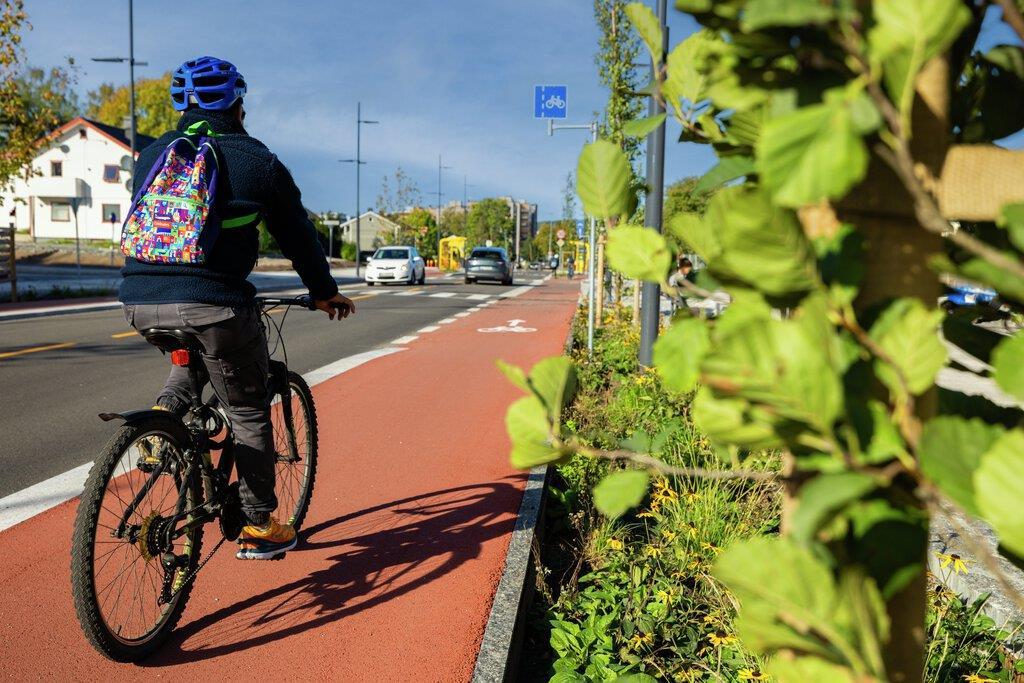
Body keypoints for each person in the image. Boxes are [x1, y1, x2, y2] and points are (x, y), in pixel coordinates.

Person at [119, 56, 355, 560]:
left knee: (193, 357)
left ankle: (162, 424)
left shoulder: (152, 155)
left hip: (139, 301)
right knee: (247, 409)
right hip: (216, 305)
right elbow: (297, 235)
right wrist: (322, 290)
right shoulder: (256, 160)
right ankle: (257, 525)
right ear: (238, 106)